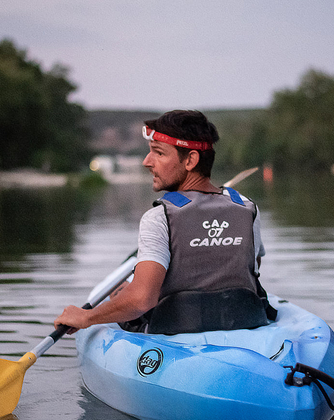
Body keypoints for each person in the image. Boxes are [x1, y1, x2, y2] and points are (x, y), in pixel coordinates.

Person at [55, 109, 273, 335]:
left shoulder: (160, 216)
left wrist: (87, 317)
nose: (146, 162)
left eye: (158, 153)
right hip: (245, 321)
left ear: (190, 160)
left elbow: (142, 300)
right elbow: (251, 266)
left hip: (177, 327)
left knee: (121, 292)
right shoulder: (247, 208)